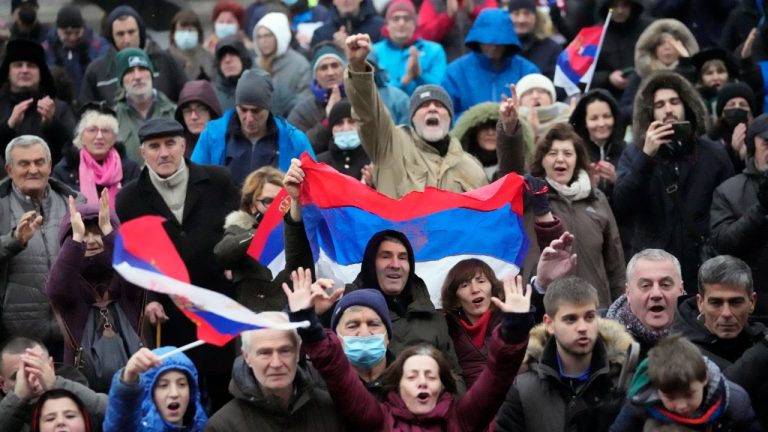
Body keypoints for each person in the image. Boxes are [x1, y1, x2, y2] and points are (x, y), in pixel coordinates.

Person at [285, 265, 534, 430]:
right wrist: (307, 321)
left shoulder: (462, 421)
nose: (422, 382)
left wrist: (513, 329)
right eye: (412, 376)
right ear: (398, 385)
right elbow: (337, 373)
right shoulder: (379, 421)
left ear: (442, 385)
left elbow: (498, 376)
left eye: (430, 376)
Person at [283, 159, 466, 377]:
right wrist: (296, 203)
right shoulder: (339, 306)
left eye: (403, 257)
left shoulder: (434, 317)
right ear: (370, 263)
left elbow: (455, 377)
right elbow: (300, 273)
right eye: (385, 256)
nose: (395, 265)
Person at [115, 118, 239, 412]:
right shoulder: (129, 198)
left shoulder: (218, 180)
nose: (164, 153)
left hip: (218, 303)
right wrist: (150, 299)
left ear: (183, 146)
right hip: (169, 314)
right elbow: (136, 258)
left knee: (225, 389)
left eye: (170, 144)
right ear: (142, 153)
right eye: (154, 146)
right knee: (179, 394)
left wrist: (234, 259)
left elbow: (239, 226)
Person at [613, 70, 734, 291]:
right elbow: (621, 206)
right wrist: (646, 158)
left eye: (674, 102)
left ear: (687, 105)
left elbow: (728, 211)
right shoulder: (634, 154)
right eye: (659, 105)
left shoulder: (713, 153)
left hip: (702, 268)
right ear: (650, 113)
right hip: (654, 272)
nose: (668, 109)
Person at [345, 33, 487, 198]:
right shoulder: (390, 146)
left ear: (450, 118)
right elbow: (368, 113)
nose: (432, 108)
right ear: (412, 118)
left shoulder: (472, 168)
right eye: (424, 106)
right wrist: (358, 67)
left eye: (440, 105)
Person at [494, 276, 636, 431]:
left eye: (589, 317)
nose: (582, 327)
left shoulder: (625, 380)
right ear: (549, 324)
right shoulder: (523, 388)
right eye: (570, 319)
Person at [45, 191, 143, 392]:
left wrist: (109, 230)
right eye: (84, 234)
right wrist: (75, 239)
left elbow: (136, 275)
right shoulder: (70, 279)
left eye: (96, 232)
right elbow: (55, 291)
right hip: (83, 384)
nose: (90, 240)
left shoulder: (122, 275)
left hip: (135, 379)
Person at [0, 136, 83, 356]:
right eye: (24, 164)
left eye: (39, 162)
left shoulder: (75, 203)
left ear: (50, 164)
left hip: (70, 331)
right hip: (15, 339)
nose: (33, 170)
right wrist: (14, 241)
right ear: (9, 170)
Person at [528, 122, 625, 308]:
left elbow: (615, 262)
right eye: (552, 153)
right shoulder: (532, 200)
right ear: (542, 160)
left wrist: (620, 307)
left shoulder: (597, 198)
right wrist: (510, 130)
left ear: (577, 159)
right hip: (550, 308)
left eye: (567, 153)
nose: (560, 159)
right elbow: (509, 165)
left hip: (597, 307)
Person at [205, 311, 344, 431]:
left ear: (297, 352)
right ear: (247, 357)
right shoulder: (223, 426)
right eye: (265, 353)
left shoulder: (330, 409)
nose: (276, 363)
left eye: (285, 351)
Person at [672, 255, 768, 429]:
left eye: (735, 302)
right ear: (700, 303)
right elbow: (715, 393)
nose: (726, 313)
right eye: (716, 303)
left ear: (752, 302)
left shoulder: (758, 336)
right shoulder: (676, 348)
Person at [609, 335, 760, 431]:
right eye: (670, 397)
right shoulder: (640, 402)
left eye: (689, 394)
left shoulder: (733, 401)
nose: (681, 406)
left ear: (704, 378)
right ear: (656, 388)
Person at [191, 69, 314, 186]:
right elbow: (195, 183)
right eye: (243, 110)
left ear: (268, 108)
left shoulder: (294, 141)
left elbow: (313, 186)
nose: (249, 118)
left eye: (256, 111)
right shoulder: (211, 136)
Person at [214, 166, 296, 312]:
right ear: (251, 205)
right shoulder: (240, 229)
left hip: (290, 313)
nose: (276, 207)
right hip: (254, 317)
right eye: (268, 201)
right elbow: (222, 253)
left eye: (281, 201)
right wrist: (263, 233)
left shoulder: (296, 231)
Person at [710, 114, 768, 315]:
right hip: (749, 309)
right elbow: (723, 244)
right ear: (752, 148)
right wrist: (761, 209)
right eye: (766, 144)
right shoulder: (728, 191)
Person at [79, 6, 187, 106]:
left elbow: (187, 98)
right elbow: (87, 112)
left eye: (131, 32)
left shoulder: (165, 61)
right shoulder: (97, 71)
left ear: (140, 32)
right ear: (111, 37)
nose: (127, 40)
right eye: (120, 34)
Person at [442, 8, 540, 118]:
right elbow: (445, 115)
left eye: (500, 42)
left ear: (509, 41)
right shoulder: (455, 72)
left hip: (516, 128)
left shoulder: (527, 71)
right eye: (487, 41)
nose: (494, 47)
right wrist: (480, 119)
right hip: (468, 129)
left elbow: (540, 111)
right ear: (477, 40)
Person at [441, 258, 519, 389]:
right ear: (456, 299)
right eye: (464, 285)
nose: (475, 289)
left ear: (492, 289)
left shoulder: (512, 318)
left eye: (481, 281)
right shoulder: (445, 330)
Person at [0, 337, 108, 432]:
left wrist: (57, 385)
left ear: (50, 367)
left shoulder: (73, 385)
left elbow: (111, 410)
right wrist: (17, 398)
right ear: (2, 384)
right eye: (19, 376)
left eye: (38, 369)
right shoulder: (5, 407)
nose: (32, 381)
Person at [0, 38, 77, 165]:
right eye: (18, 65)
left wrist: (51, 125)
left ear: (41, 73)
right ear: (8, 72)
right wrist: (8, 127)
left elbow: (75, 152)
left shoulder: (59, 108)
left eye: (31, 65)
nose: (24, 70)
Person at [102, 347, 207, 431]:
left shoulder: (205, 427)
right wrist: (129, 377)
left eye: (182, 384)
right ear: (150, 393)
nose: (174, 393)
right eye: (163, 385)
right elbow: (120, 425)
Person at [51, 105, 141, 202]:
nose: (99, 136)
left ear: (114, 137)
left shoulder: (130, 169)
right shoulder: (63, 171)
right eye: (92, 130)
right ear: (81, 136)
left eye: (105, 130)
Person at [606, 249, 685, 356]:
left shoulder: (702, 333)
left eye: (665, 285)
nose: (656, 294)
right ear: (628, 292)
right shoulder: (600, 342)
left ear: (681, 289)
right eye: (646, 286)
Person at [619, 19, 698, 124]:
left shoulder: (693, 71)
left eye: (672, 43)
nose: (667, 48)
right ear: (653, 49)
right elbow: (623, 111)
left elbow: (697, 104)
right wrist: (649, 106)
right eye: (661, 44)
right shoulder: (641, 75)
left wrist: (686, 63)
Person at [113, 48, 177, 164]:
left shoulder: (175, 112)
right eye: (129, 71)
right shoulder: (113, 120)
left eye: (142, 69)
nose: (137, 76)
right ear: (121, 81)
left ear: (151, 74)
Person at [327, 288, 393, 399]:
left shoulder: (408, 382)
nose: (364, 334)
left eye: (373, 324)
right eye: (353, 326)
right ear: (336, 337)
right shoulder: (323, 383)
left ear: (388, 336)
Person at [371, 0, 447, 96]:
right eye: (395, 18)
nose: (401, 23)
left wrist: (419, 75)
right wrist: (404, 80)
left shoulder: (434, 51)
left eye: (407, 18)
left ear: (415, 23)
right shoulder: (374, 52)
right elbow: (373, 92)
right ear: (387, 24)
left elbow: (441, 90)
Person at [288, 43, 348, 153]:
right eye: (323, 68)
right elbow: (295, 147)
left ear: (344, 69)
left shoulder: (358, 101)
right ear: (315, 74)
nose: (330, 72)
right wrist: (327, 121)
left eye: (335, 65)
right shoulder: (303, 110)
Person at [41, 5, 110, 96]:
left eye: (77, 33)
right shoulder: (45, 50)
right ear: (58, 30)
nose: (72, 38)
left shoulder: (98, 46)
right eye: (67, 33)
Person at [590, 0, 652, 101]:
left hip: (645, 93)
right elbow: (582, 75)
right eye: (614, 6)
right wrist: (608, 78)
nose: (620, 11)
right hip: (607, 97)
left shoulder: (649, 30)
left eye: (625, 5)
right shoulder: (593, 35)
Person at [253, 12, 311, 102]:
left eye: (267, 36)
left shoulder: (300, 65)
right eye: (259, 36)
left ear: (279, 36)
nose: (263, 41)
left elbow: (304, 101)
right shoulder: (254, 65)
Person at [417, 0, 498, 61]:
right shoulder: (432, 2)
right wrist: (448, 18)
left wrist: (474, 11)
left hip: (481, 67)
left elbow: (496, 29)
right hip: (447, 69)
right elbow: (424, 39)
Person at [707, 82, 757, 173]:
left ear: (751, 114)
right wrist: (732, 152)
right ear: (721, 112)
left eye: (743, 105)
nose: (737, 108)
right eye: (731, 105)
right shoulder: (709, 141)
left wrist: (747, 158)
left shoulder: (759, 140)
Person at [316, 99, 371, 181]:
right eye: (339, 123)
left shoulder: (373, 161)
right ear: (331, 129)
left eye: (352, 121)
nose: (346, 128)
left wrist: (373, 184)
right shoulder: (320, 164)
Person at [507, 0, 562, 79]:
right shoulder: (499, 47)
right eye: (516, 14)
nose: (521, 20)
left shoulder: (552, 49)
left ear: (536, 17)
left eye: (527, 13)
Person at [516, 73, 572, 140]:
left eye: (541, 91)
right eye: (528, 92)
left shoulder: (567, 118)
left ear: (551, 97)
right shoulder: (512, 125)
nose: (535, 96)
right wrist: (531, 133)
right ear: (519, 101)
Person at [174, 80, 223, 157]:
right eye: (187, 111)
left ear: (212, 112)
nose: (194, 117)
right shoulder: (176, 153)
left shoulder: (229, 146)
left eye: (201, 109)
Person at [310, 0, 385, 48]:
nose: (346, 0)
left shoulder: (380, 28)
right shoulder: (321, 34)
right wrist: (333, 48)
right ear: (333, 1)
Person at [168, 9, 216, 81]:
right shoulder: (166, 58)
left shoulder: (209, 58)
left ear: (198, 33)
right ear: (173, 34)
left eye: (190, 30)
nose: (186, 34)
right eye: (182, 30)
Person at [212, 36, 253, 112]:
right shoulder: (211, 95)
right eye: (222, 56)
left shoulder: (262, 89)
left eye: (233, 54)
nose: (227, 60)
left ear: (243, 59)